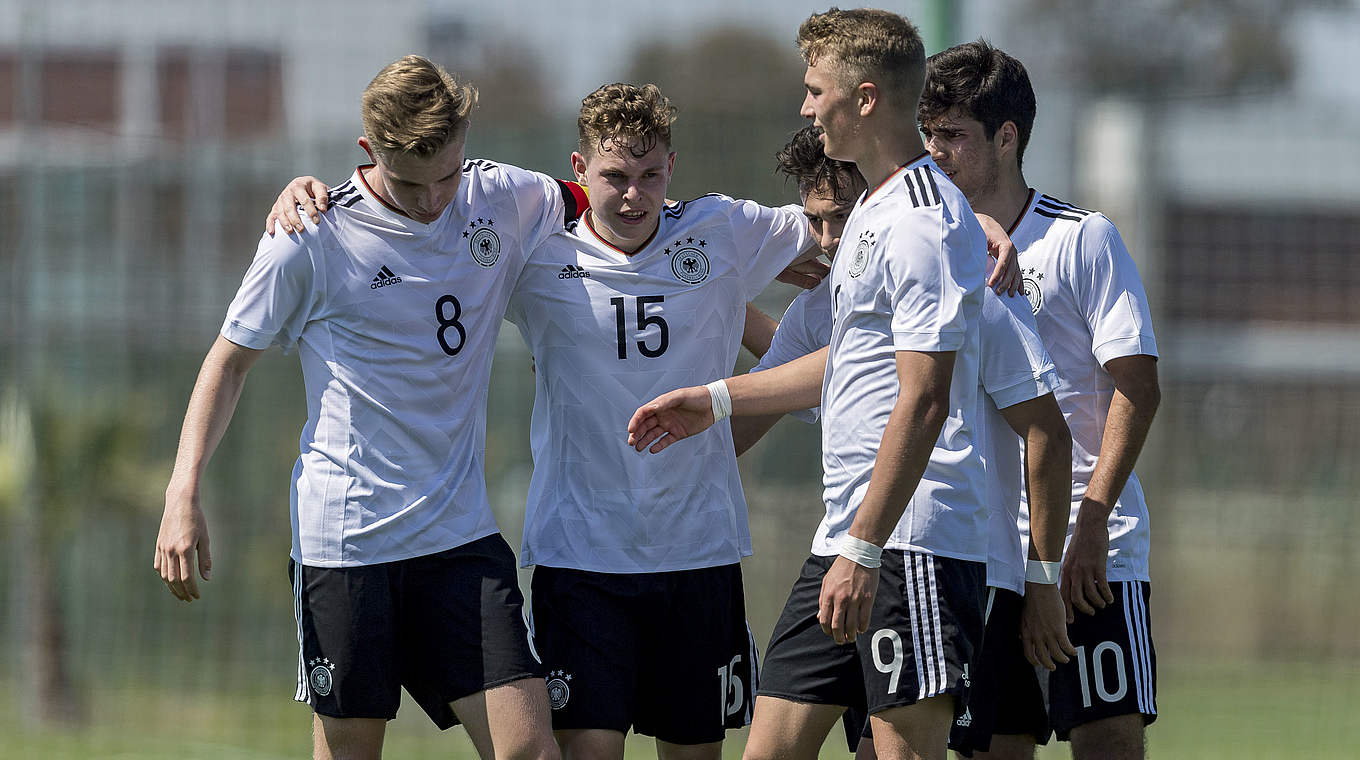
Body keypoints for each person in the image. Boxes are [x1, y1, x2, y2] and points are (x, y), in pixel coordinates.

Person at [152, 55, 584, 760]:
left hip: (460, 539)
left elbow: (609, 204)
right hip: (348, 545)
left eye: (449, 174)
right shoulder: (310, 238)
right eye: (413, 184)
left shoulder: (504, 196)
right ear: (369, 152)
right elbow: (226, 364)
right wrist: (182, 492)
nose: (435, 201)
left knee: (531, 749)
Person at [629, 9, 1000, 759]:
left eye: (814, 89)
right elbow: (849, 363)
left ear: (865, 98)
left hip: (907, 543)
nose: (805, 106)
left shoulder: (923, 223)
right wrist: (717, 399)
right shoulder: (868, 209)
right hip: (846, 537)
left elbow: (923, 397)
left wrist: (865, 549)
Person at [737, 126, 1077, 760]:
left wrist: (1043, 577)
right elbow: (759, 402)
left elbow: (1047, 432)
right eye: (815, 223)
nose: (830, 239)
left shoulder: (965, 286)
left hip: (935, 553)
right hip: (843, 548)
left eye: (840, 218)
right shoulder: (820, 308)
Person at [918, 40, 1161, 760]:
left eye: (954, 136)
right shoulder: (930, 246)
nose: (937, 153)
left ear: (1006, 136)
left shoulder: (1083, 239)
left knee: (1109, 739)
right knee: (995, 747)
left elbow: (1137, 387)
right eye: (929, 135)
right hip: (980, 547)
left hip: (1092, 548)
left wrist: (1091, 524)